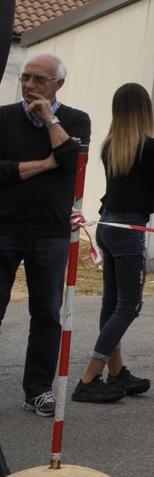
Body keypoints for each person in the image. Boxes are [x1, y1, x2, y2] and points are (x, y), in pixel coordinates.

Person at [0, 53, 91, 417]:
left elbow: (73, 162)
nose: (29, 85)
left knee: (47, 315)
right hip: (4, 227)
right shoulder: (4, 117)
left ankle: (37, 389)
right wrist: (45, 164)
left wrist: (49, 120)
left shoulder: (76, 120)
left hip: (51, 233)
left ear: (58, 85)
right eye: (25, 77)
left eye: (39, 79)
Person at [73, 82, 154, 404]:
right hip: (130, 228)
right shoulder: (150, 147)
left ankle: (116, 371)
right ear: (145, 109)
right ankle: (89, 376)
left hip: (108, 224)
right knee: (130, 305)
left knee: (113, 302)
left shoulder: (110, 145)